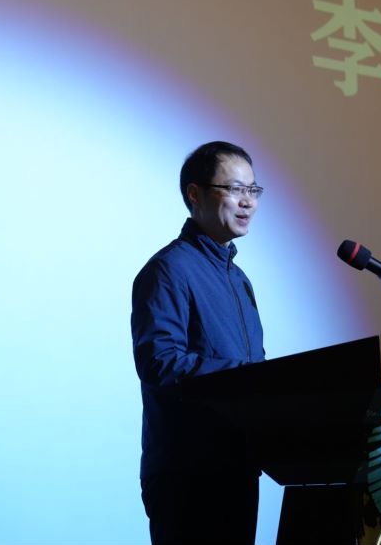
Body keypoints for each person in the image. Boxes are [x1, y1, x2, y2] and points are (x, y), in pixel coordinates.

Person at [131, 141, 266, 544]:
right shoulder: (168, 270)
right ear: (195, 194)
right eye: (236, 189)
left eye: (253, 190)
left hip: (239, 466)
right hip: (188, 475)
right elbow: (160, 362)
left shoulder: (239, 280)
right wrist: (247, 377)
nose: (248, 202)